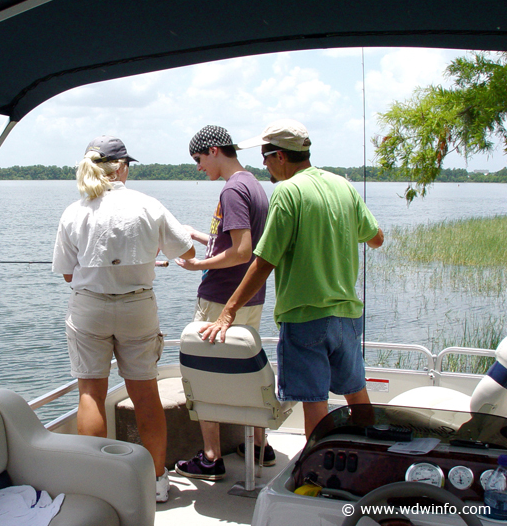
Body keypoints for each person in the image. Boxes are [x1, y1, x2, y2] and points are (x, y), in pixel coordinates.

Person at [200, 119, 385, 437]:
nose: (263, 164)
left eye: (265, 156)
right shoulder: (342, 185)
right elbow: (376, 238)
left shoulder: (287, 192)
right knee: (356, 393)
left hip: (305, 319)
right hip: (349, 318)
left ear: (281, 156)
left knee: (314, 401)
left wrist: (228, 312)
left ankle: (313, 476)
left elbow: (262, 262)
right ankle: (373, 452)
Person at [52, 135, 196, 504]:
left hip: (90, 308)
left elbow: (68, 274)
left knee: (91, 394)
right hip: (137, 307)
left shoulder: (74, 211)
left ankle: (99, 485)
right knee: (146, 394)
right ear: (123, 167)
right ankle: (158, 482)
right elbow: (187, 249)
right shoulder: (148, 205)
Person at [173, 125, 273, 482]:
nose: (199, 167)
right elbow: (236, 243)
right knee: (245, 369)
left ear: (214, 150)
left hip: (221, 299)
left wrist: (198, 264)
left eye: (199, 159)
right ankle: (260, 446)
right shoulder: (254, 185)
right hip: (249, 295)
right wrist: (200, 236)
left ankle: (211, 456)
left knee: (205, 375)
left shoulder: (232, 190)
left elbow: (242, 251)